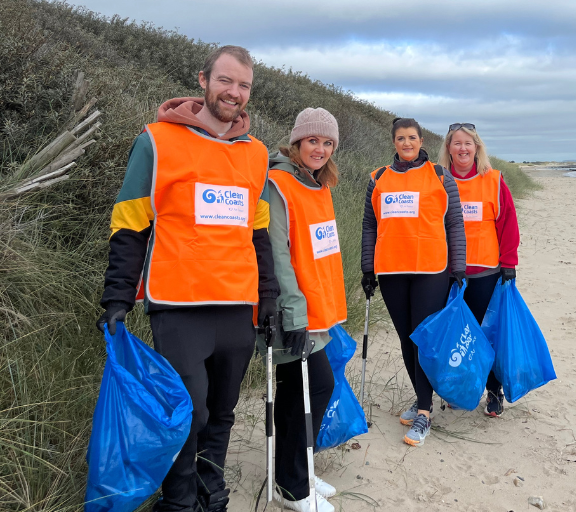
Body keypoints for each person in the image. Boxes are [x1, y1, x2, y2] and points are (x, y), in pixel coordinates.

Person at [97, 46, 279, 512]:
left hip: (237, 302)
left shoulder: (256, 154)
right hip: (178, 302)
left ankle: (210, 488)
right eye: (225, 81)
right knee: (189, 410)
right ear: (203, 80)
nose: (233, 93)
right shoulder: (157, 141)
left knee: (221, 409)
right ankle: (177, 499)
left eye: (243, 85)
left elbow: (259, 234)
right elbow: (130, 222)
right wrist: (118, 296)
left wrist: (269, 297)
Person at [261, 108, 350, 512]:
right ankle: (291, 487)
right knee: (308, 389)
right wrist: (292, 311)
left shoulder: (320, 183)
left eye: (327, 142)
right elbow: (277, 253)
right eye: (313, 140)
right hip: (292, 309)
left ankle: (299, 468)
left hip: (317, 307)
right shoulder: (278, 183)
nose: (320, 148)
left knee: (310, 390)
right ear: (296, 142)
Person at [360, 118, 466, 447]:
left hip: (430, 269)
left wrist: (458, 266)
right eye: (401, 138)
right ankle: (424, 397)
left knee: (424, 340)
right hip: (392, 270)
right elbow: (368, 225)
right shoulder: (378, 178)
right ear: (394, 142)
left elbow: (455, 223)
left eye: (412, 138)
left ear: (421, 141)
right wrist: (367, 268)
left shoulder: (439, 175)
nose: (407, 143)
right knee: (407, 339)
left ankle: (424, 411)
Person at [438, 123, 520, 417]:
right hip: (449, 274)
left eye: (468, 144)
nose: (462, 149)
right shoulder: (439, 181)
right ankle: (460, 389)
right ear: (448, 148)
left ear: (477, 148)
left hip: (486, 272)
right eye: (456, 143)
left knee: (488, 335)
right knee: (458, 336)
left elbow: (508, 223)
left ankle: (493, 391)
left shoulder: (493, 180)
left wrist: (509, 263)